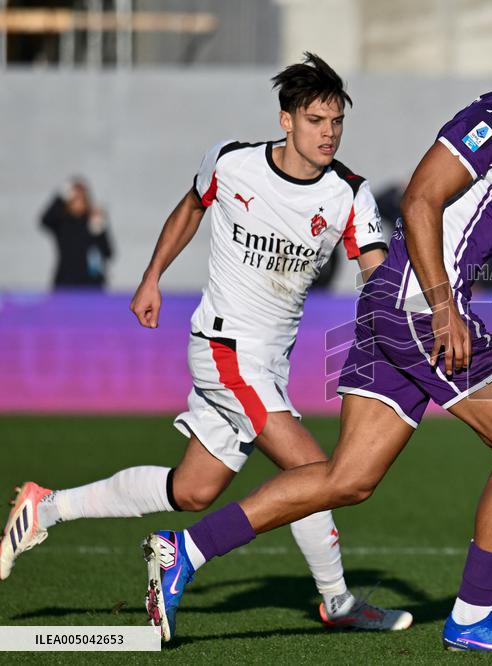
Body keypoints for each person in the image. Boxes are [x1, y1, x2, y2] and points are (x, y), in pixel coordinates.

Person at [139, 17, 492, 652]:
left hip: (397, 306)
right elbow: (419, 198)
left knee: (348, 479)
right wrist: (444, 308)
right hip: (421, 308)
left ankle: (184, 551)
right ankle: (471, 616)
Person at [1, 53, 411, 640]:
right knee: (318, 473)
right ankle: (336, 600)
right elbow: (192, 207)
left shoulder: (348, 194)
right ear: (286, 120)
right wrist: (151, 276)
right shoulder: (233, 162)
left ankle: (48, 506)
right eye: (316, 119)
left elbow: (373, 268)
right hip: (224, 347)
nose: (328, 132)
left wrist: (402, 302)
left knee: (191, 489)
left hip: (268, 363)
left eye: (336, 121)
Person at [40, 179, 114, 289]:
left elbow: (109, 253)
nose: (78, 202)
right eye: (74, 198)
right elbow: (45, 220)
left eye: (81, 198)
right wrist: (60, 195)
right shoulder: (63, 222)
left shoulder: (93, 221)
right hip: (65, 281)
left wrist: (99, 232)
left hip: (92, 283)